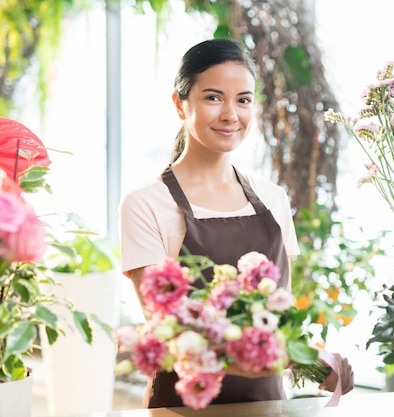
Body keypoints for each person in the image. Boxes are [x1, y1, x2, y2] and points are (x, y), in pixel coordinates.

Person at [118, 38, 353, 409]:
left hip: (269, 404)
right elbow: (167, 330)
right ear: (180, 104)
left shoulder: (273, 198)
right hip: (183, 406)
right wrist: (276, 355)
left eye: (243, 100)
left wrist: (314, 361)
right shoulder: (145, 204)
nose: (231, 115)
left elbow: (280, 316)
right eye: (213, 98)